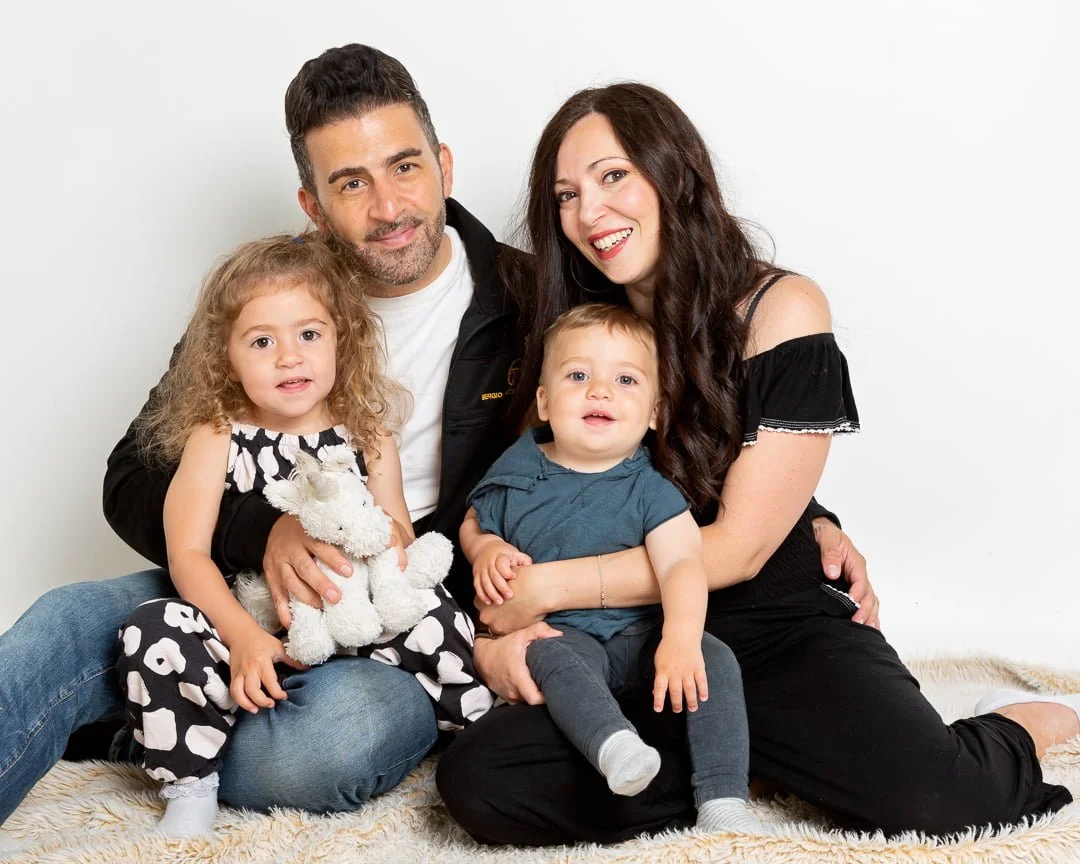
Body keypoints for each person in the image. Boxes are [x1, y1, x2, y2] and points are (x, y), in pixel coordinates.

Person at [0, 44, 873, 825]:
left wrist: (810, 515)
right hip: (232, 582)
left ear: (444, 164)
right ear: (313, 203)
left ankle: (157, 728)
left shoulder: (542, 303)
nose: (388, 206)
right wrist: (263, 534)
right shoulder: (265, 305)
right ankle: (162, 707)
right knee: (66, 619)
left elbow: (639, 421)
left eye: (405, 166)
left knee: (338, 738)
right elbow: (130, 475)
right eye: (351, 183)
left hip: (417, 615)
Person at [435, 83, 1080, 844]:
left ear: (672, 173)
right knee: (482, 781)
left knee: (933, 799)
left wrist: (544, 587)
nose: (589, 213)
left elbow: (739, 547)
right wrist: (501, 633)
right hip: (633, 641)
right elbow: (512, 497)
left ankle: (1001, 730)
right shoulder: (574, 330)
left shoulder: (782, 308)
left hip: (771, 627)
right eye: (567, 195)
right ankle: (751, 762)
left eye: (613, 177)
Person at [112, 232, 488, 836]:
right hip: (257, 617)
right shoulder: (216, 435)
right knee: (152, 628)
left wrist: (375, 547)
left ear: (343, 338)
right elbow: (187, 554)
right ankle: (190, 783)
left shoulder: (367, 430)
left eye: (309, 335)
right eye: (263, 342)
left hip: (353, 614)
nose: (290, 357)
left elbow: (397, 530)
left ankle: (478, 733)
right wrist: (240, 638)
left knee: (441, 614)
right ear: (224, 356)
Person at [463, 303, 757, 832]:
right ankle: (615, 748)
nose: (600, 391)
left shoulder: (650, 488)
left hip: (640, 635)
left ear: (653, 413)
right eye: (579, 376)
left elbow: (683, 566)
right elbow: (475, 521)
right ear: (545, 402)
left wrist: (682, 639)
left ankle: (723, 798)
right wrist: (484, 549)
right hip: (566, 635)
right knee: (546, 655)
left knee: (717, 660)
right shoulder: (519, 468)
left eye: (625, 380)